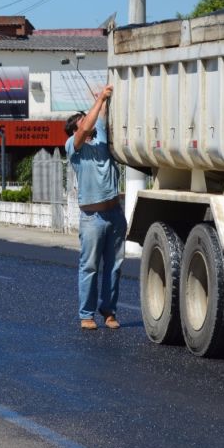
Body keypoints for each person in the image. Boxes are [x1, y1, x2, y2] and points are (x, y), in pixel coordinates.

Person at [65, 83, 125, 331]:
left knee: (114, 267)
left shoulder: (100, 140)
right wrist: (99, 100)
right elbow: (89, 124)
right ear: (74, 129)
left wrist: (101, 100)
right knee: (90, 266)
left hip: (114, 213)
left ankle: (109, 311)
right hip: (92, 217)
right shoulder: (73, 146)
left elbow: (99, 119)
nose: (87, 122)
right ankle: (86, 314)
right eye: (82, 120)